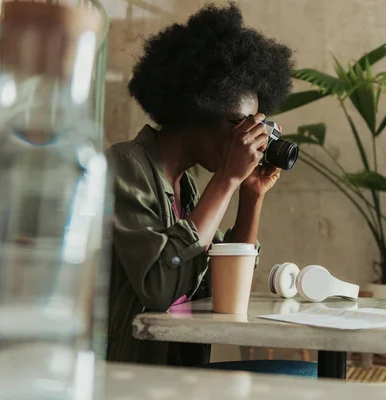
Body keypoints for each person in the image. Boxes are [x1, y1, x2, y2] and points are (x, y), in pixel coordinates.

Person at [106, 2, 315, 377]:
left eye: (253, 126)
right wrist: (226, 181)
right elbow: (158, 288)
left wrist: (250, 195)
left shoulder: (185, 187)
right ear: (192, 111)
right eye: (238, 124)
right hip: (135, 377)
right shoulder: (125, 165)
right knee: (305, 380)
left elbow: (225, 290)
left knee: (311, 375)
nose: (246, 141)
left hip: (180, 373)